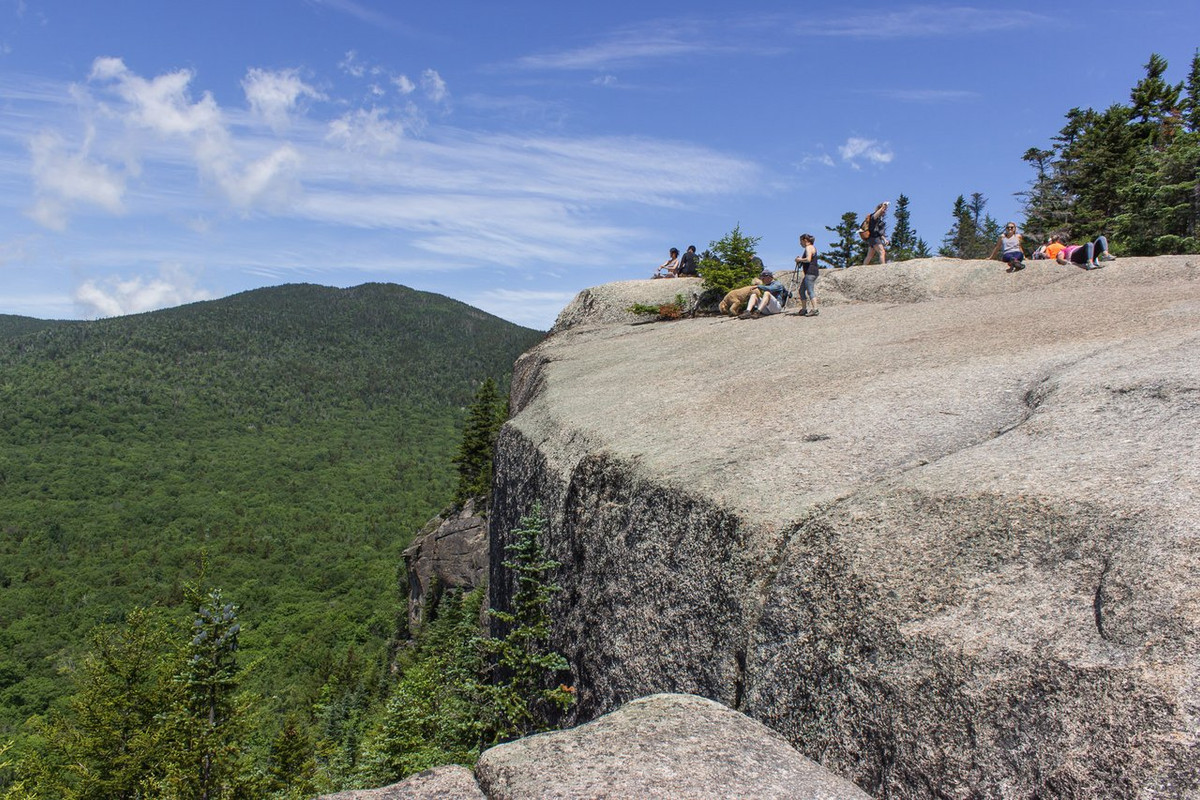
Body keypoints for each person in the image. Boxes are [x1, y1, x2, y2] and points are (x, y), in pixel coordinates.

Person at [794, 233, 820, 317]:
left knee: (810, 290)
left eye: (800, 241)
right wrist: (800, 261)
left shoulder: (809, 247)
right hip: (811, 272)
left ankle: (815, 309)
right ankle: (804, 309)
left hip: (810, 272)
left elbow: (808, 259)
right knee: (801, 290)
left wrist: (799, 259)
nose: (800, 243)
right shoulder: (812, 247)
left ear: (805, 240)